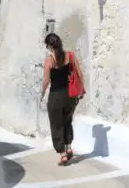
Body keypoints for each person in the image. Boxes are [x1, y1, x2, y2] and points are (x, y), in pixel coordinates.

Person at [40, 33, 85, 165]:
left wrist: (42, 93)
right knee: (67, 121)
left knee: (56, 124)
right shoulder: (69, 55)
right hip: (70, 95)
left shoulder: (49, 60)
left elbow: (46, 80)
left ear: (49, 46)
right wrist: (81, 90)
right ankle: (69, 147)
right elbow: (80, 73)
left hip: (55, 96)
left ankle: (63, 153)